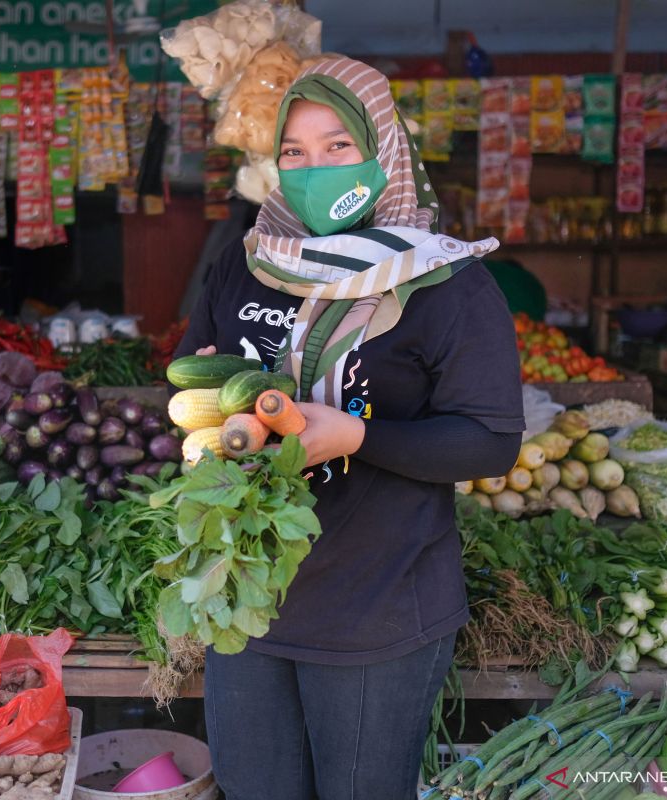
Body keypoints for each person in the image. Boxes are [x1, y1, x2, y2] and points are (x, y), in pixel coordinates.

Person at [174, 57, 524, 799]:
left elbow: (492, 440)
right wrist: (208, 402)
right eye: (294, 152)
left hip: (378, 607)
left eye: (338, 146)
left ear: (383, 149)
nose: (314, 168)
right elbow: (190, 366)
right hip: (250, 598)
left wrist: (359, 437)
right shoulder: (249, 264)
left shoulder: (446, 283)